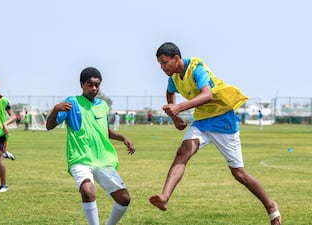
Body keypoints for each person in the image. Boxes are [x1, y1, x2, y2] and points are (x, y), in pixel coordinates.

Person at [148, 42, 281, 225]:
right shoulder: (174, 77)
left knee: (239, 174)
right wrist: (175, 119)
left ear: (176, 59)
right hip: (202, 121)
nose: (162, 68)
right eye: (160, 64)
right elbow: (170, 93)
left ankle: (271, 207)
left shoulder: (197, 69)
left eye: (164, 63)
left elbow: (207, 95)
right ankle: (164, 197)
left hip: (223, 120)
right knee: (183, 152)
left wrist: (179, 107)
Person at [46, 67, 136, 225]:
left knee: (124, 198)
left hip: (102, 159)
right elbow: (49, 126)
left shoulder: (103, 105)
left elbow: (104, 130)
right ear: (82, 84)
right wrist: (55, 110)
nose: (94, 88)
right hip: (80, 158)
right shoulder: (71, 103)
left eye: (97, 85)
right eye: (90, 84)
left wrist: (123, 137)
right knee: (88, 191)